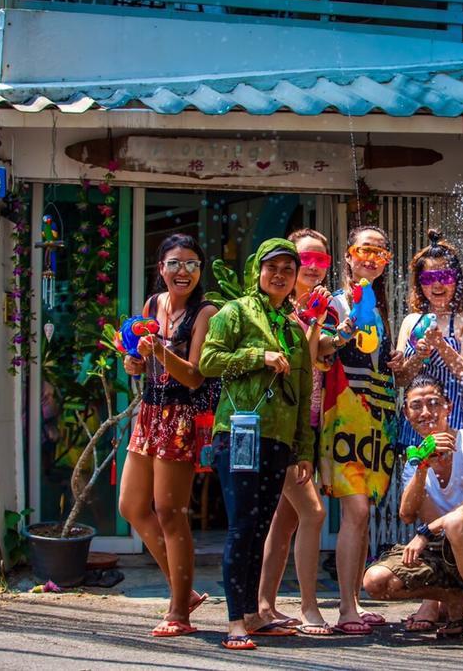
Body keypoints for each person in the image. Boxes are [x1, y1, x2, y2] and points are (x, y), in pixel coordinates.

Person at [199, 238, 314, 650]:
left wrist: (304, 450)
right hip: (239, 433)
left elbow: (303, 393)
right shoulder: (236, 312)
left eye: (288, 269)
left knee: (261, 527)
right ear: (257, 271)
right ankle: (234, 622)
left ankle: (251, 613)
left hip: (279, 440)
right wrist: (257, 355)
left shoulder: (295, 330)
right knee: (243, 526)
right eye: (273, 268)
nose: (280, 275)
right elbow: (207, 362)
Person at [363, 375, 463, 652]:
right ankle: (454, 597)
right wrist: (423, 468)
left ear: (448, 407)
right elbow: (406, 514)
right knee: (376, 581)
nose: (425, 412)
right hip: (447, 556)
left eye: (434, 403)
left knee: (458, 521)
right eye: (416, 406)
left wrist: (427, 530)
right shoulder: (416, 462)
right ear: (406, 414)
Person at [119, 233, 218, 637]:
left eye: (192, 264)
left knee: (170, 513)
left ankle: (179, 611)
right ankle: (186, 591)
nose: (183, 271)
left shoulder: (207, 312)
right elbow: (140, 361)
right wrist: (134, 361)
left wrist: (159, 351)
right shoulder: (151, 306)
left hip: (180, 418)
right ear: (161, 268)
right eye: (175, 263)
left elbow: (195, 376)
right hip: (149, 413)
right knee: (131, 507)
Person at [392, 229, 463, 632]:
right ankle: (434, 598)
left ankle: (454, 598)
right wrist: (419, 351)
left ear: (456, 279)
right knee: (421, 512)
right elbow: (401, 378)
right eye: (429, 279)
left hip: (455, 428)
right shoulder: (412, 320)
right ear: (420, 285)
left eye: (445, 276)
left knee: (453, 514)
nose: (438, 285)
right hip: (415, 430)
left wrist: (440, 346)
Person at [318, 225, 401, 634]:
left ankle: (356, 601)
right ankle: (346, 607)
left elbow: (378, 364)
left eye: (380, 253)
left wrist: (399, 365)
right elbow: (324, 349)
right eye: (364, 250)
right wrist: (344, 327)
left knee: (365, 512)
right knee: (356, 510)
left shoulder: (380, 307)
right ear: (347, 256)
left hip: (377, 418)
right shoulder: (334, 302)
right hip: (345, 413)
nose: (371, 258)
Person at [257, 228, 334, 635]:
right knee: (313, 511)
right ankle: (309, 607)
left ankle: (264, 604)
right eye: (305, 260)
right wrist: (317, 328)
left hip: (316, 424)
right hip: (284, 425)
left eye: (321, 260)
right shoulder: (279, 311)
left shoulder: (328, 307)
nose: (312, 268)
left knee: (284, 522)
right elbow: (300, 360)